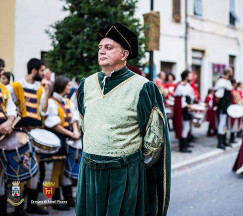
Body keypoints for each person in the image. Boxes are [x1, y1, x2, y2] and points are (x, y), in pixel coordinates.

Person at [76, 23, 170, 216]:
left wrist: (131, 168)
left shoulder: (142, 87)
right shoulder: (86, 84)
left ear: (124, 54)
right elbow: (85, 125)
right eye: (100, 47)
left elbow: (153, 141)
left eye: (108, 48)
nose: (102, 51)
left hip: (124, 173)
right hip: (89, 171)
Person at [7, 58, 50, 215]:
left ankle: (31, 205)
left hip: (34, 133)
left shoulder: (40, 89)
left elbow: (43, 111)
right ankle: (18, 207)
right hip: (18, 134)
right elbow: (6, 105)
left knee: (34, 171)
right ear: (34, 70)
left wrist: (47, 91)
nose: (43, 73)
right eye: (41, 70)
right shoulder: (15, 86)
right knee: (18, 172)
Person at [44, 75, 80, 210]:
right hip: (58, 138)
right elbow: (53, 124)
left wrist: (75, 131)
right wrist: (72, 134)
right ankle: (56, 200)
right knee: (56, 170)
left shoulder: (67, 102)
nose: (69, 87)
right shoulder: (52, 102)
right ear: (61, 87)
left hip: (68, 138)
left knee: (65, 170)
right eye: (67, 85)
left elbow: (74, 118)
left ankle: (68, 199)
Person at [0, 82, 17, 216]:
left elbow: (11, 109)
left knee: (1, 174)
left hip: (3, 133)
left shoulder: (3, 88)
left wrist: (9, 122)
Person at [173, 70, 197, 153]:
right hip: (184, 110)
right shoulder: (180, 87)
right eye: (190, 76)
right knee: (185, 128)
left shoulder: (188, 86)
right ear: (186, 77)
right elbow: (182, 102)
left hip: (188, 109)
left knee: (188, 127)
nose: (191, 77)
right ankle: (182, 147)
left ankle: (186, 143)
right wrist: (190, 106)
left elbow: (191, 97)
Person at [214, 68, 233, 149]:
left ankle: (224, 141)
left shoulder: (227, 81)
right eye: (231, 72)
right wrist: (220, 105)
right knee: (221, 124)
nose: (232, 73)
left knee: (225, 124)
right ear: (228, 73)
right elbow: (218, 96)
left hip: (226, 106)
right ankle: (220, 142)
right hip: (223, 106)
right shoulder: (221, 82)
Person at [228, 79, 243, 143]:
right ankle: (231, 139)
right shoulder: (232, 90)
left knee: (235, 124)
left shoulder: (234, 90)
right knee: (232, 124)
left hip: (235, 107)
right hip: (233, 108)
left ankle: (232, 138)